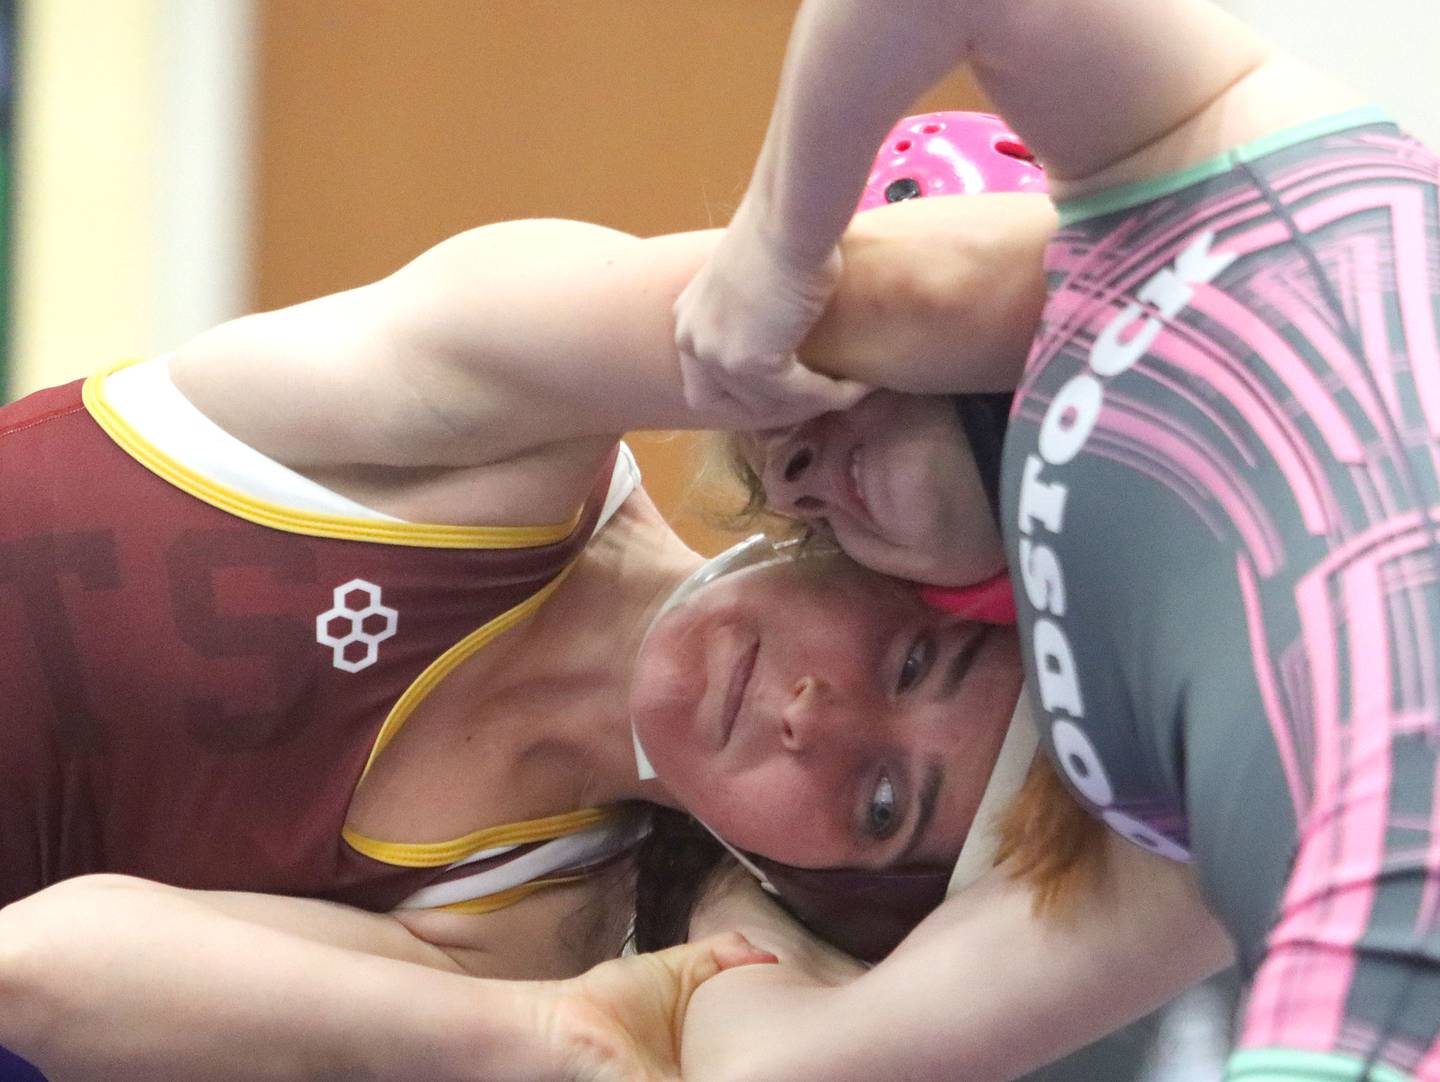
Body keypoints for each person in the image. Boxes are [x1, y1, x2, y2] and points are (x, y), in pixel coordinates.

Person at [0, 186, 1059, 1079]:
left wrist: (540, 1036)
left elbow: (33, 967)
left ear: (820, 886)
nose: (811, 717)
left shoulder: (515, 944)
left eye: (880, 800)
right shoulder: (518, 428)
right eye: (912, 659)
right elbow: (886, 297)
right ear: (883, 545)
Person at [674, 0, 1440, 1079]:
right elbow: (770, 1067)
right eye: (799, 506)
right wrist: (729, 879)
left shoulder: (1189, 166)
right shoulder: (1112, 794)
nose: (799, 475)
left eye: (822, 383)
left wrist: (779, 244)